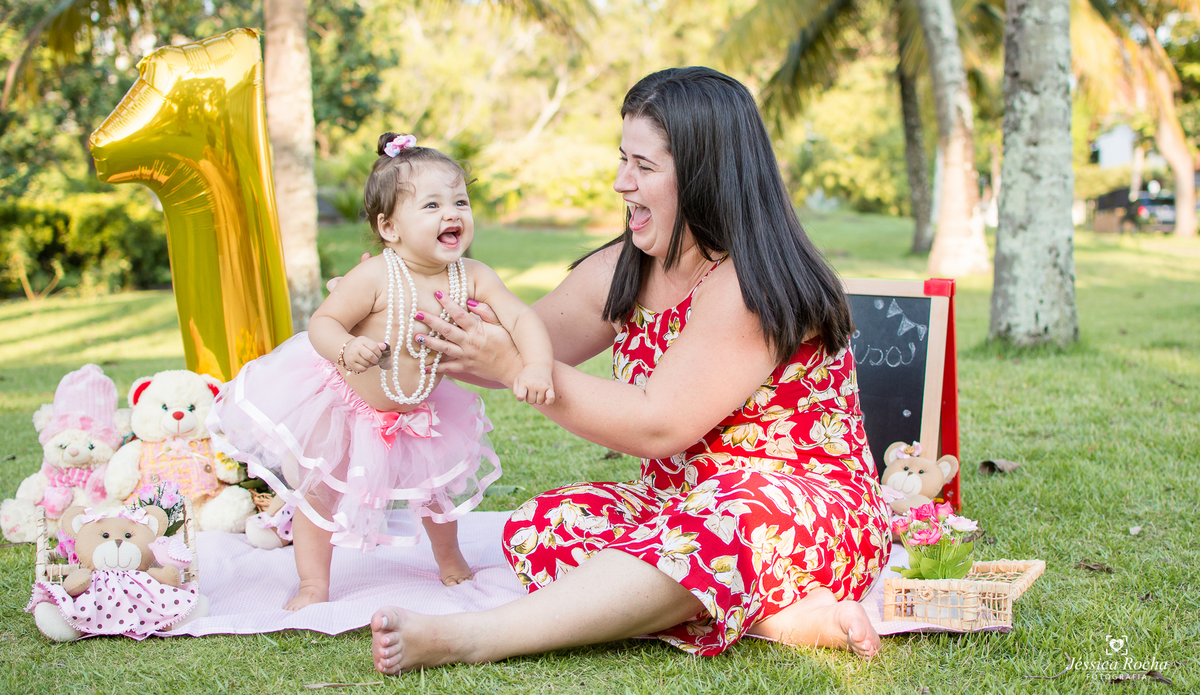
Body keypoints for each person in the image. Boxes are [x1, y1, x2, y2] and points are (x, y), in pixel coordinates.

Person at [368, 68, 891, 671]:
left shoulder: (752, 283)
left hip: (796, 507)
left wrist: (515, 366)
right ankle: (775, 615)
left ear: (703, 174)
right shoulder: (629, 265)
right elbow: (505, 342)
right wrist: (397, 301)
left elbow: (658, 425)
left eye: (642, 166)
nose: (621, 183)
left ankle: (479, 636)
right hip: (678, 503)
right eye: (623, 160)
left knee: (719, 526)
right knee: (545, 524)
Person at [210, 133, 556, 610]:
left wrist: (535, 365)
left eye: (460, 201)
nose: (452, 214)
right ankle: (313, 583)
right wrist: (346, 347)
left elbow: (522, 317)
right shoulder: (374, 276)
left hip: (420, 408)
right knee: (321, 493)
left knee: (436, 491)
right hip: (344, 404)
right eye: (432, 206)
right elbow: (323, 322)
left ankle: (451, 562)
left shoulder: (473, 275)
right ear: (390, 228)